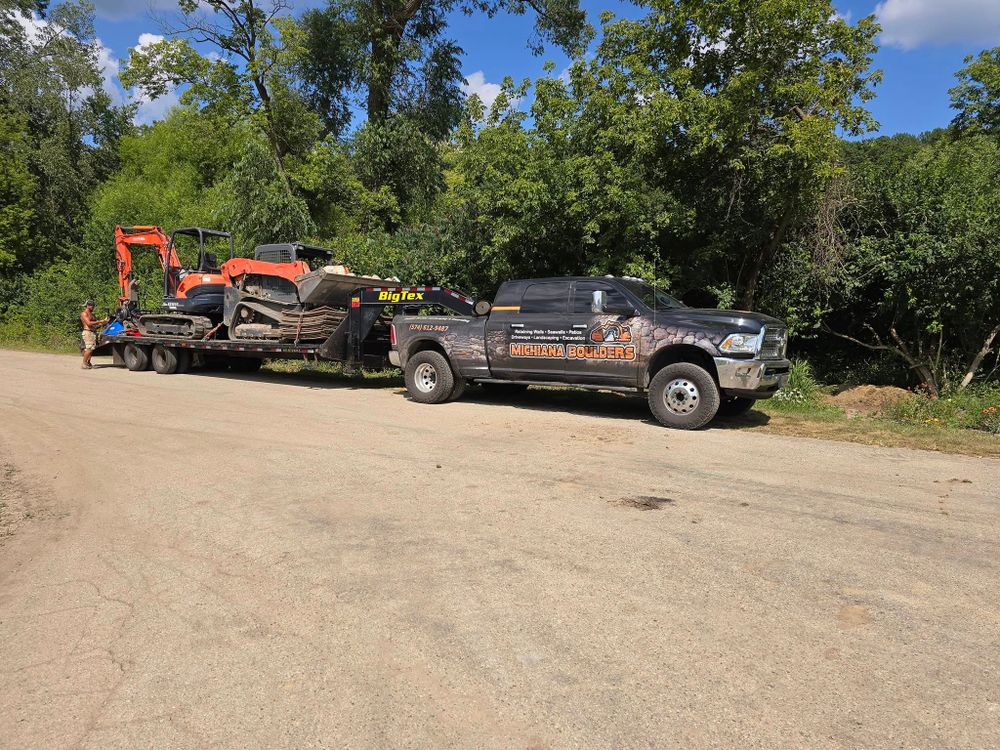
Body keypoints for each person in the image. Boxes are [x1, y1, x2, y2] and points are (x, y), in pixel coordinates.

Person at [80, 300, 108, 370]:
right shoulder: (84, 313)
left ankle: (88, 362)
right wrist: (99, 321)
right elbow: (89, 323)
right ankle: (84, 363)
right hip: (88, 332)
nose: (93, 308)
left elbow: (96, 321)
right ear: (88, 306)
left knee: (91, 349)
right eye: (93, 306)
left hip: (92, 332)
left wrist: (104, 321)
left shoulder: (91, 314)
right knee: (89, 349)